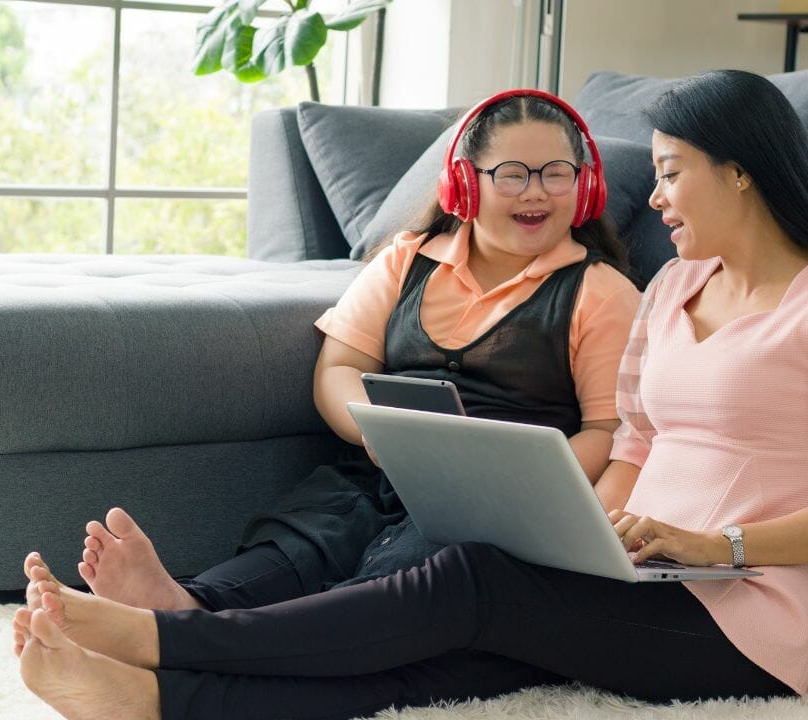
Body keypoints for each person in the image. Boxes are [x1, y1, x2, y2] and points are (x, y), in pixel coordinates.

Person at [11, 70, 808, 720]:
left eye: (673, 170)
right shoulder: (679, 291)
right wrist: (581, 529)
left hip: (757, 619)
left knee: (469, 581)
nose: (655, 200)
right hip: (646, 573)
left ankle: (170, 641)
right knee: (453, 653)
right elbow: (636, 446)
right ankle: (162, 700)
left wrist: (715, 542)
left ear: (741, 170)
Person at [71, 89, 640, 615]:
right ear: (465, 185)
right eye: (512, 175)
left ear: (584, 186)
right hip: (380, 474)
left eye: (557, 174)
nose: (536, 191)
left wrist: (525, 478)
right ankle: (183, 602)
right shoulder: (407, 259)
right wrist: (373, 432)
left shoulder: (600, 292)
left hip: (494, 505)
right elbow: (340, 368)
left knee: (394, 581)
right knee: (308, 539)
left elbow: (608, 430)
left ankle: (203, 636)